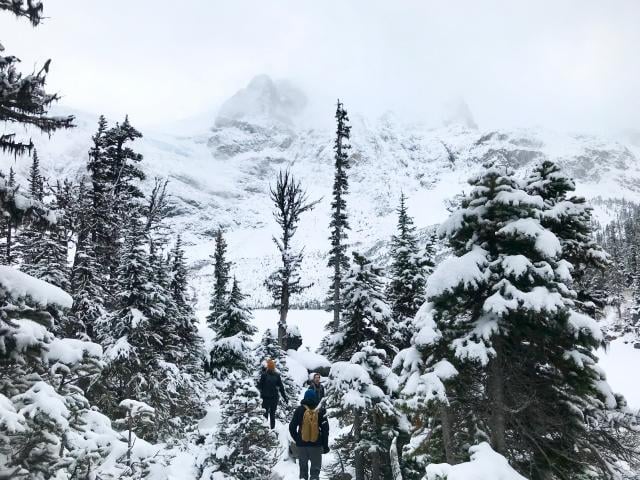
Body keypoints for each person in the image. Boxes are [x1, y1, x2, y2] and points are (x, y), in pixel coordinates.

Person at [289, 389, 330, 480]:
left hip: (302, 445)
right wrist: (325, 446)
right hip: (316, 445)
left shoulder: (299, 410)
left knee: (303, 472)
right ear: (315, 397)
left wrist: (298, 439)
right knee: (315, 472)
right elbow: (325, 430)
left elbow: (292, 427)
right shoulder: (321, 411)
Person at [258, 358, 287, 429]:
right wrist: (285, 397)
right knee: (270, 414)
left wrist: (285, 397)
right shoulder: (271, 375)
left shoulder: (266, 375)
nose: (271, 368)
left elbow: (260, 386)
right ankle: (270, 429)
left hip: (269, 398)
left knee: (268, 414)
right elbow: (281, 388)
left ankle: (267, 429)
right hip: (270, 398)